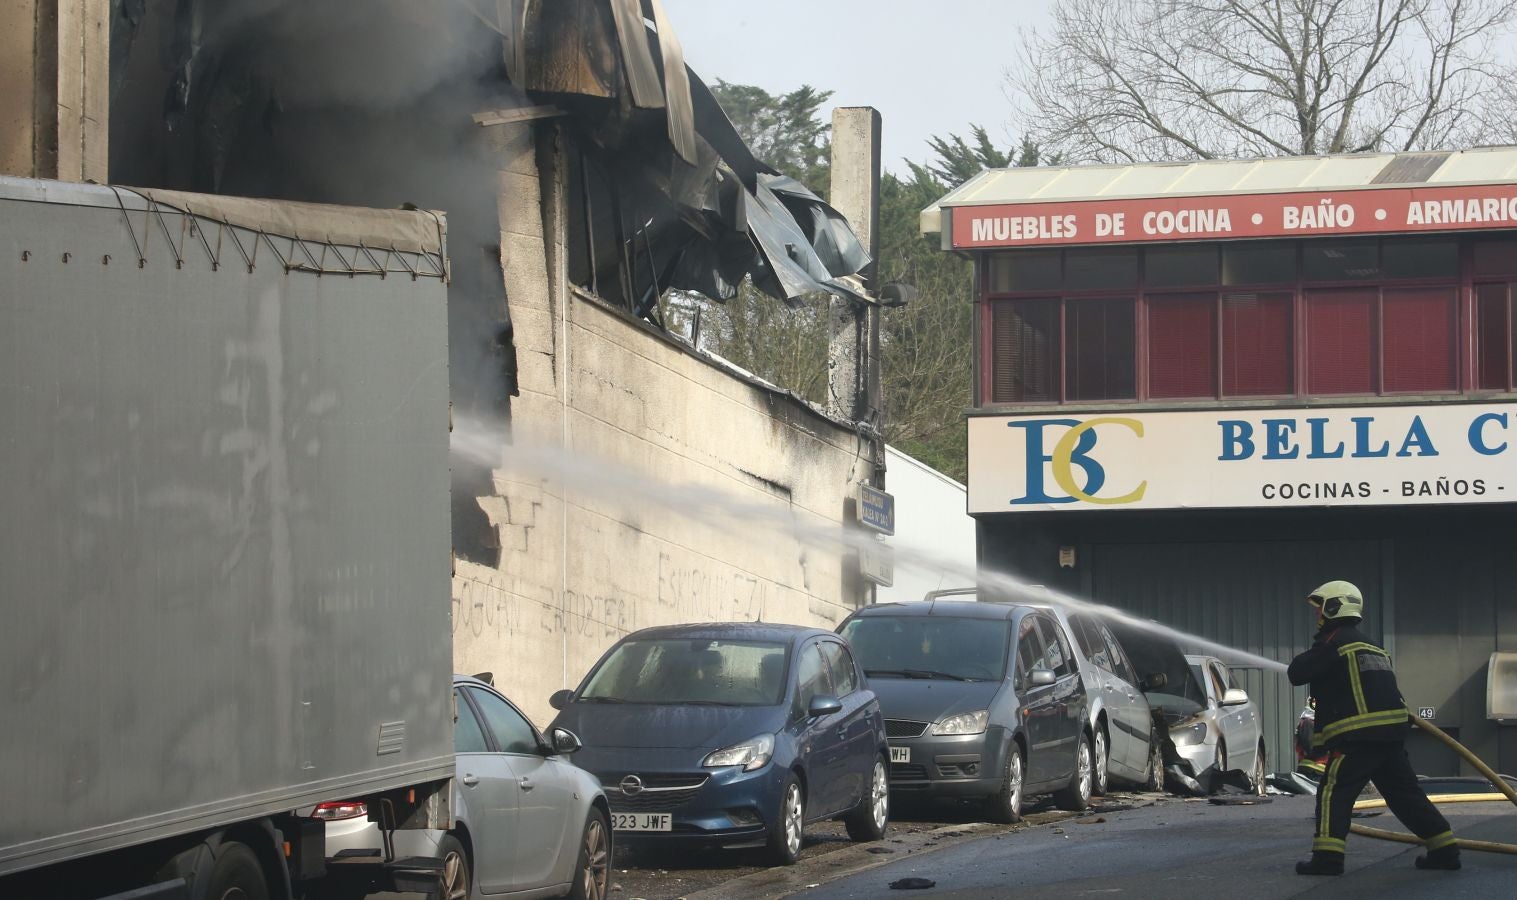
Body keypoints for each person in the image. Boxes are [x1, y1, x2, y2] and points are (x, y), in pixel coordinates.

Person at [1287, 580, 1460, 876]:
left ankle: (1327, 859)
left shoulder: (1334, 644)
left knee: (1333, 792)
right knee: (1406, 795)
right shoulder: (1374, 648)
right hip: (1390, 736)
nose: (1317, 616)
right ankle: (1445, 849)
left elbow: (1297, 672)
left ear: (1334, 606)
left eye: (1320, 609)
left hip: (1358, 738)